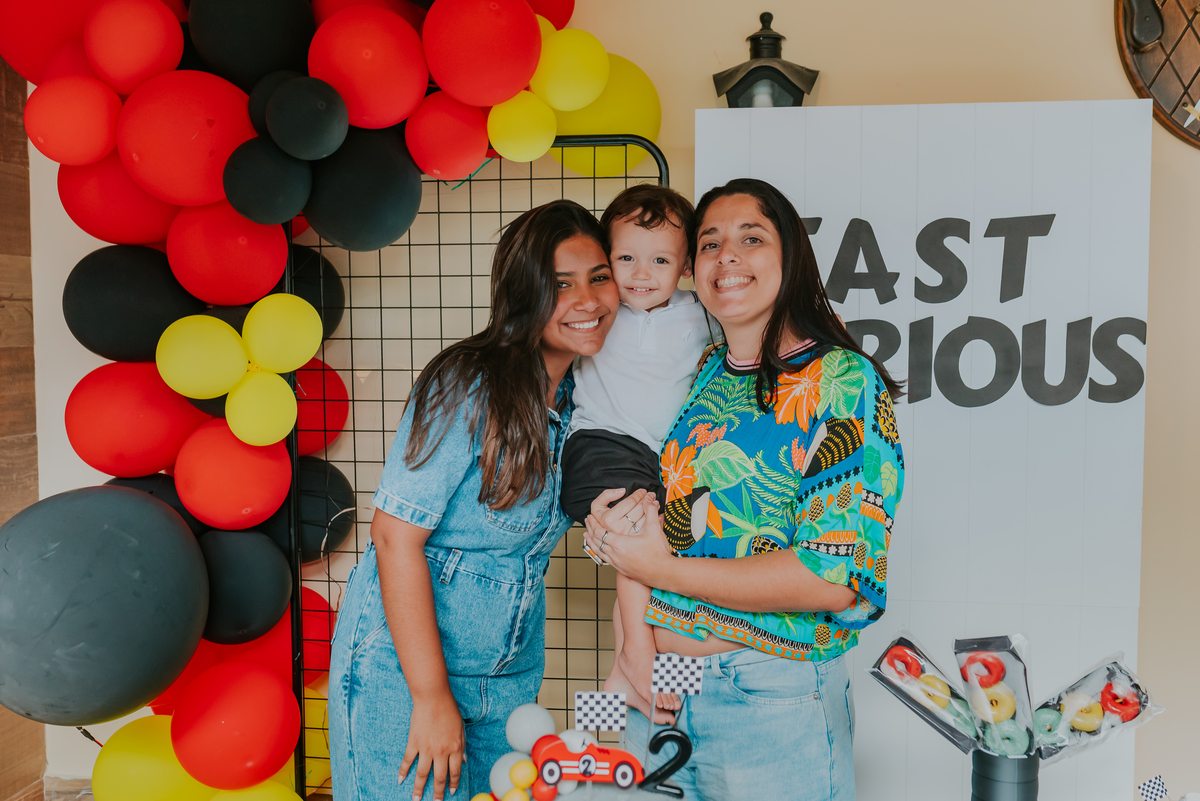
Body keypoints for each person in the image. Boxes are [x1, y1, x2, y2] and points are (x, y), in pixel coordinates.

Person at [583, 178, 905, 801]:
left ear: (791, 260)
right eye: (709, 243)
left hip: (767, 694)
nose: (726, 256)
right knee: (586, 790)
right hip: (652, 672)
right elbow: (665, 527)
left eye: (750, 238)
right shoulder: (704, 372)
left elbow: (831, 578)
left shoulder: (840, 378)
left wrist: (656, 568)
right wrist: (609, 536)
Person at [327, 200, 619, 801]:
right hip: (404, 673)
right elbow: (393, 536)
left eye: (599, 276)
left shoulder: (591, 399)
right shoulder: (469, 381)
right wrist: (431, 697)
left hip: (507, 678)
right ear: (525, 294)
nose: (588, 300)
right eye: (561, 285)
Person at [558, 183, 715, 725]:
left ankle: (614, 695)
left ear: (687, 267)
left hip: (656, 459)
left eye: (660, 260)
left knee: (655, 560)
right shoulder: (600, 311)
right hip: (600, 444)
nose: (640, 274)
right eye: (625, 258)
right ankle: (640, 663)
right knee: (644, 547)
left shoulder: (702, 315)